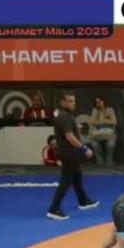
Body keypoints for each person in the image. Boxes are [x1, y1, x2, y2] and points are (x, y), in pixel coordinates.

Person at [46, 91, 97, 220]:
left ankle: (83, 200)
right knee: (66, 181)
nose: (73, 103)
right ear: (63, 102)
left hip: (68, 152)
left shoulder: (62, 113)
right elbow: (69, 137)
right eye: (69, 101)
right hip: (69, 153)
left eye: (74, 101)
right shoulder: (65, 116)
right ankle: (54, 209)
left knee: (77, 176)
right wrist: (84, 149)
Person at [87, 96, 118, 165]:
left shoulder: (109, 110)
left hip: (109, 133)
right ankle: (100, 159)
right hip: (97, 133)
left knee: (111, 144)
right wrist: (106, 120)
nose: (98, 104)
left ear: (104, 102)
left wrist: (100, 121)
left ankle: (108, 158)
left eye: (100, 102)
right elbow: (93, 122)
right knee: (94, 143)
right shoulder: (95, 110)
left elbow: (114, 122)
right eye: (96, 102)